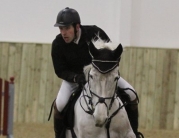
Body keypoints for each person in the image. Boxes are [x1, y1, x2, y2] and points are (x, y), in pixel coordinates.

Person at [51, 7, 143, 138]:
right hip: (74, 80)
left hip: (102, 77)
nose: (64, 33)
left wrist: (108, 73)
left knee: (131, 93)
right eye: (61, 29)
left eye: (67, 28)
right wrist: (77, 78)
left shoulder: (94, 32)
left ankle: (134, 131)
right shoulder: (58, 44)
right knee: (59, 104)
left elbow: (112, 53)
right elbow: (60, 70)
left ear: (77, 27)